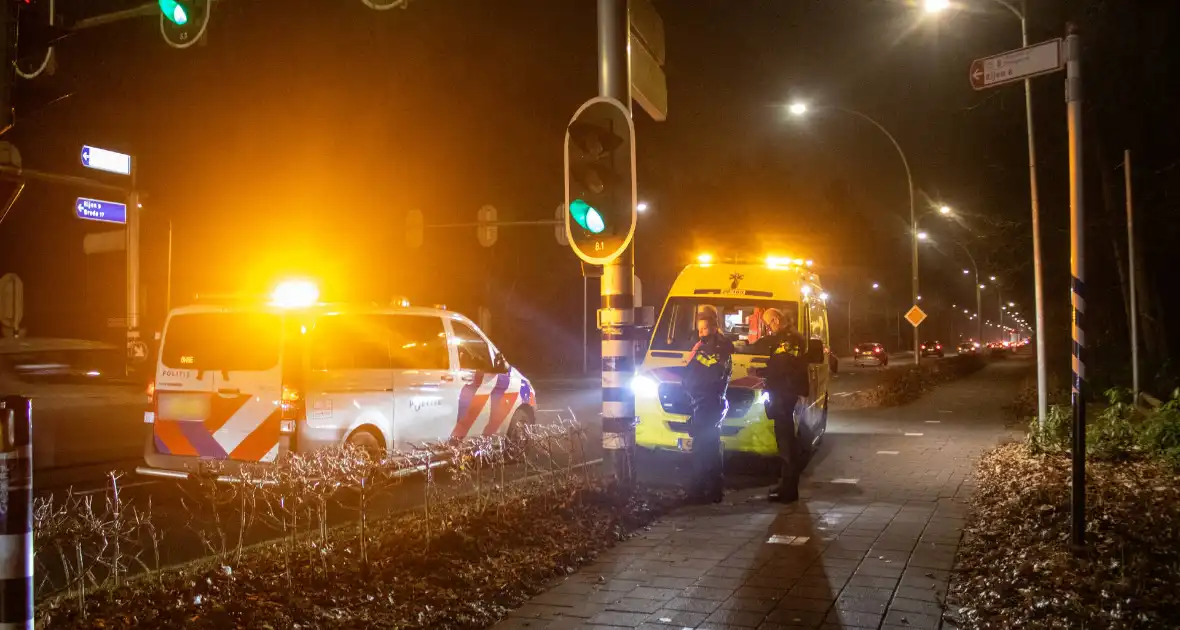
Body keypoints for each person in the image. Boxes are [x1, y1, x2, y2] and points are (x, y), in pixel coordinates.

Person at [752, 307, 809, 503]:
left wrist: (761, 372)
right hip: (785, 392)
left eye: (769, 324)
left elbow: (782, 364)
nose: (769, 328)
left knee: (785, 442)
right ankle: (786, 485)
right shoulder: (791, 337)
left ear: (776, 320)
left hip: (785, 393)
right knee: (784, 440)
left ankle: (789, 489)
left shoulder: (789, 339)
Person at [681, 306, 733, 503]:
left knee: (703, 446)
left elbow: (707, 376)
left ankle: (700, 490)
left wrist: (690, 383)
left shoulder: (717, 348)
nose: (701, 333)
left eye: (704, 328)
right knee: (709, 445)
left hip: (709, 401)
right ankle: (711, 490)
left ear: (714, 326)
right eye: (699, 329)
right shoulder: (703, 346)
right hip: (703, 401)